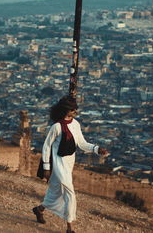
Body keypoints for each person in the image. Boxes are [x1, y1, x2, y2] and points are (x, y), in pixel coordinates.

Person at [33, 96, 108, 233]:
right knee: (69, 193)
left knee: (55, 192)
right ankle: (69, 227)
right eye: (72, 110)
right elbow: (46, 147)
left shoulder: (75, 124)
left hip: (69, 162)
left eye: (75, 109)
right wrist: (46, 168)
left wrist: (96, 149)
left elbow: (81, 143)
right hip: (58, 163)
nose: (75, 112)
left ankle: (39, 209)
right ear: (65, 110)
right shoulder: (56, 127)